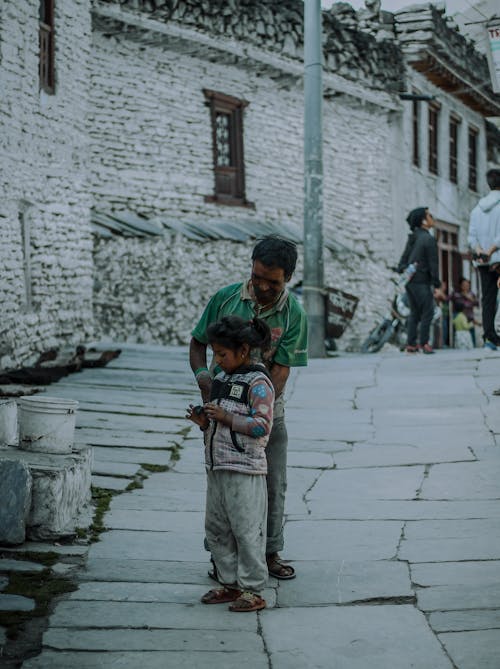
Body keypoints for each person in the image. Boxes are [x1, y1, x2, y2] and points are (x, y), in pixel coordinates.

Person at [190, 236, 308, 580]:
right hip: (219, 412)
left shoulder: (294, 313)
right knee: (224, 486)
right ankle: (222, 558)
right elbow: (198, 343)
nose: (263, 286)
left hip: (267, 415)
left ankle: (270, 552)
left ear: (288, 278)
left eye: (273, 281)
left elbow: (281, 370)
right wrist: (204, 380)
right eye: (257, 277)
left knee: (271, 484)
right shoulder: (225, 298)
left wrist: (257, 411)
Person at [187, 315, 274, 612]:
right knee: (217, 529)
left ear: (244, 351)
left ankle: (252, 589)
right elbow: (217, 421)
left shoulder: (259, 383)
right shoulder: (222, 379)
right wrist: (204, 422)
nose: (217, 360)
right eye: (214, 353)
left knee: (246, 530)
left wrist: (227, 419)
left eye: (222, 354)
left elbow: (263, 426)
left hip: (245, 470)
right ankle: (228, 582)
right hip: (217, 467)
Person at [397, 207, 442, 354]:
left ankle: (411, 344)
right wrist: (436, 284)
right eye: (429, 215)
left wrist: (404, 271)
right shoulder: (428, 239)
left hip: (410, 281)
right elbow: (433, 264)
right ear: (423, 221)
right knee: (427, 312)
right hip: (422, 281)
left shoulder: (413, 237)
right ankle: (424, 343)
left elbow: (403, 260)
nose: (432, 217)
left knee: (414, 312)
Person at [468, 168, 500, 350]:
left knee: (487, 298)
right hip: (498, 258)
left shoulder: (476, 210)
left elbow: (471, 238)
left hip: (483, 261)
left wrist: (481, 251)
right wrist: (492, 249)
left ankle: (489, 337)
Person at [451, 277, 479, 347]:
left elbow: (477, 303)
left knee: (471, 337)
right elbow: (450, 300)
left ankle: (473, 349)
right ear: (460, 285)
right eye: (464, 285)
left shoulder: (471, 294)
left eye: (467, 285)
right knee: (460, 336)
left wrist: (470, 298)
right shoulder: (456, 294)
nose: (466, 286)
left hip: (470, 318)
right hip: (460, 317)